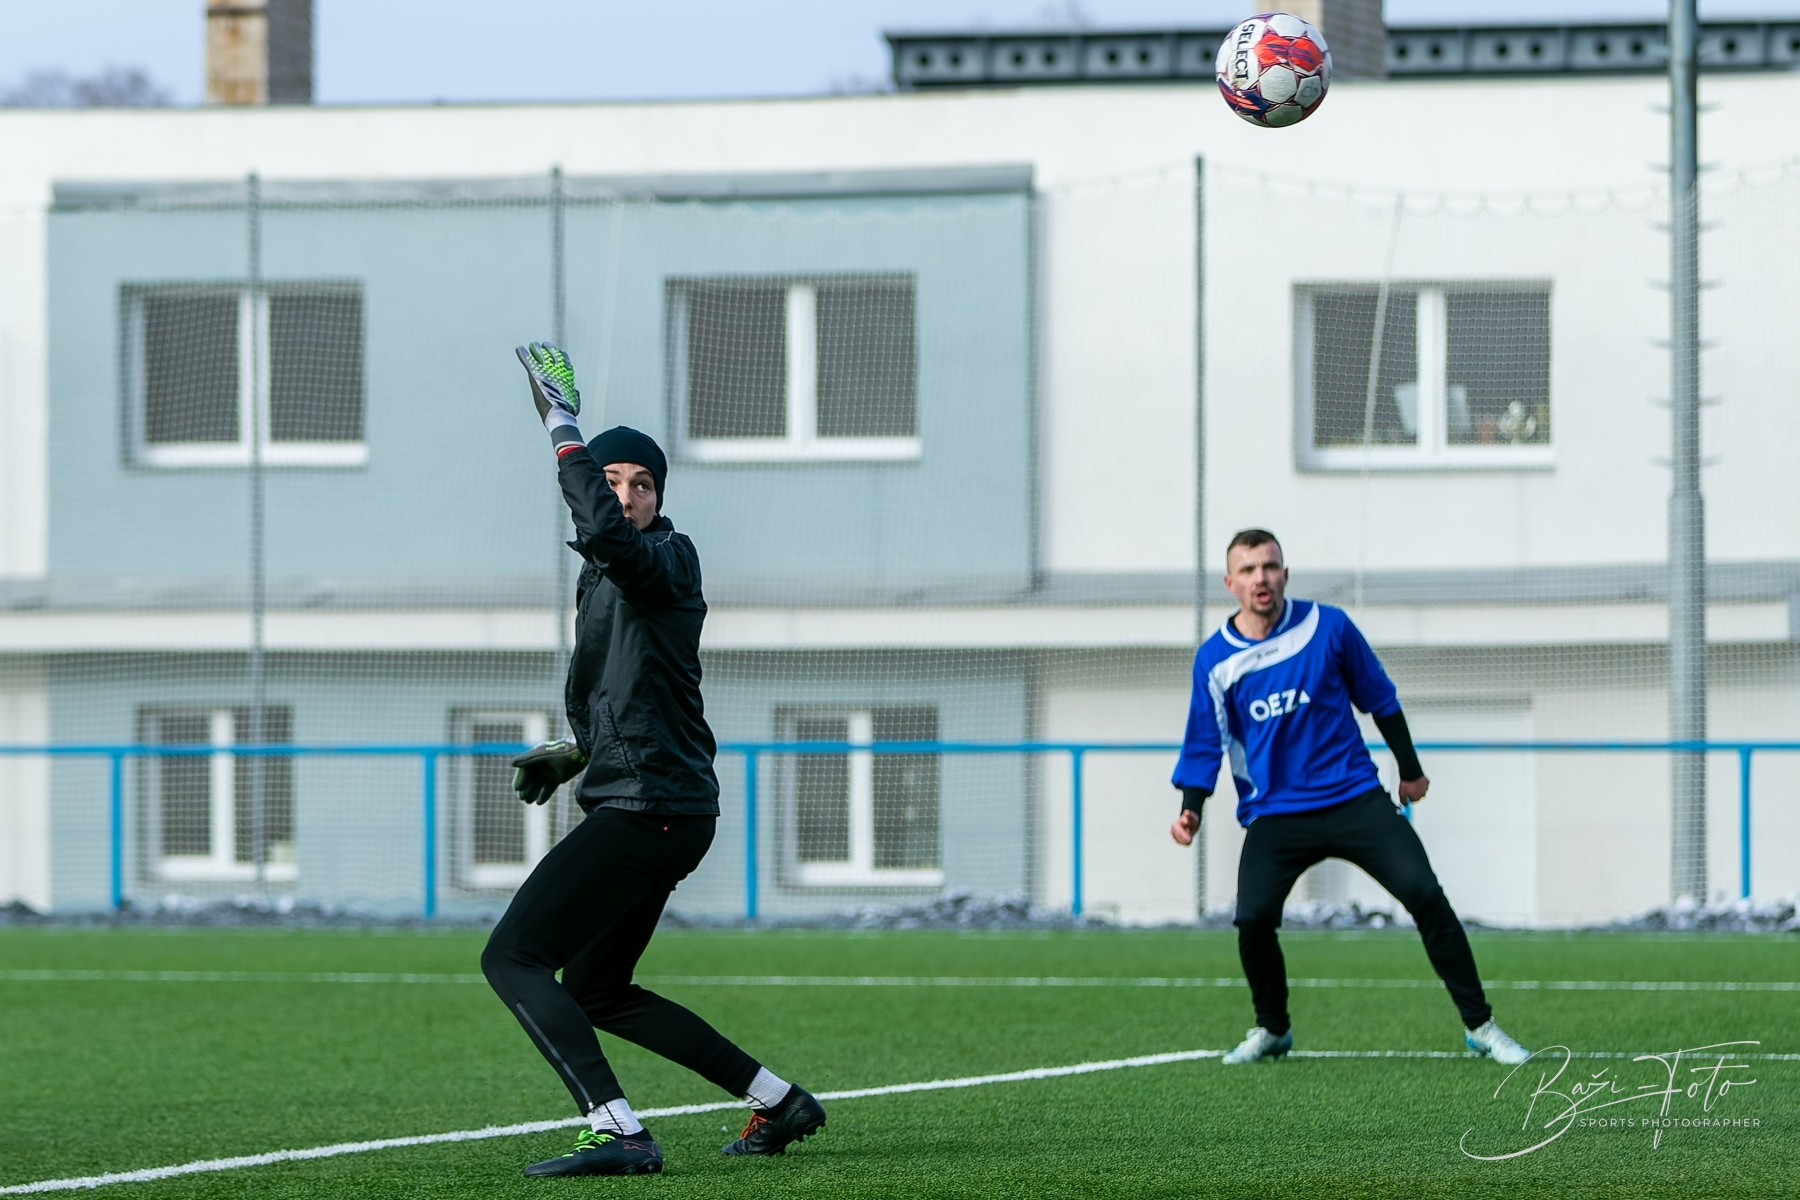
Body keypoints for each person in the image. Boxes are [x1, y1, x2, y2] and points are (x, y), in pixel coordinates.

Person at [480, 343, 827, 1177]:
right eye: (616, 480)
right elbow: (622, 689)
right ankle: (779, 1100)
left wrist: (562, 426)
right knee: (597, 989)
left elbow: (605, 532)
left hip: (652, 808)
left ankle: (618, 1131)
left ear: (658, 500)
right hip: (651, 802)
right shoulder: (604, 578)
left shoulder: (666, 558)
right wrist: (575, 752)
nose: (628, 495)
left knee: (512, 956)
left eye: (642, 484)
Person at [1169, 528, 1530, 1067]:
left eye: (1269, 566)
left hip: (1353, 798)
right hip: (1275, 814)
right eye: (1248, 570)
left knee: (1425, 894)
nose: (1261, 578)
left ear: (1285, 574)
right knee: (1253, 919)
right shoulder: (1215, 661)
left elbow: (1380, 698)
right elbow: (1204, 741)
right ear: (1230, 583)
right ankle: (1273, 1029)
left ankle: (1481, 1026)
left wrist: (1410, 771)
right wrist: (1191, 808)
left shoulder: (1329, 627)